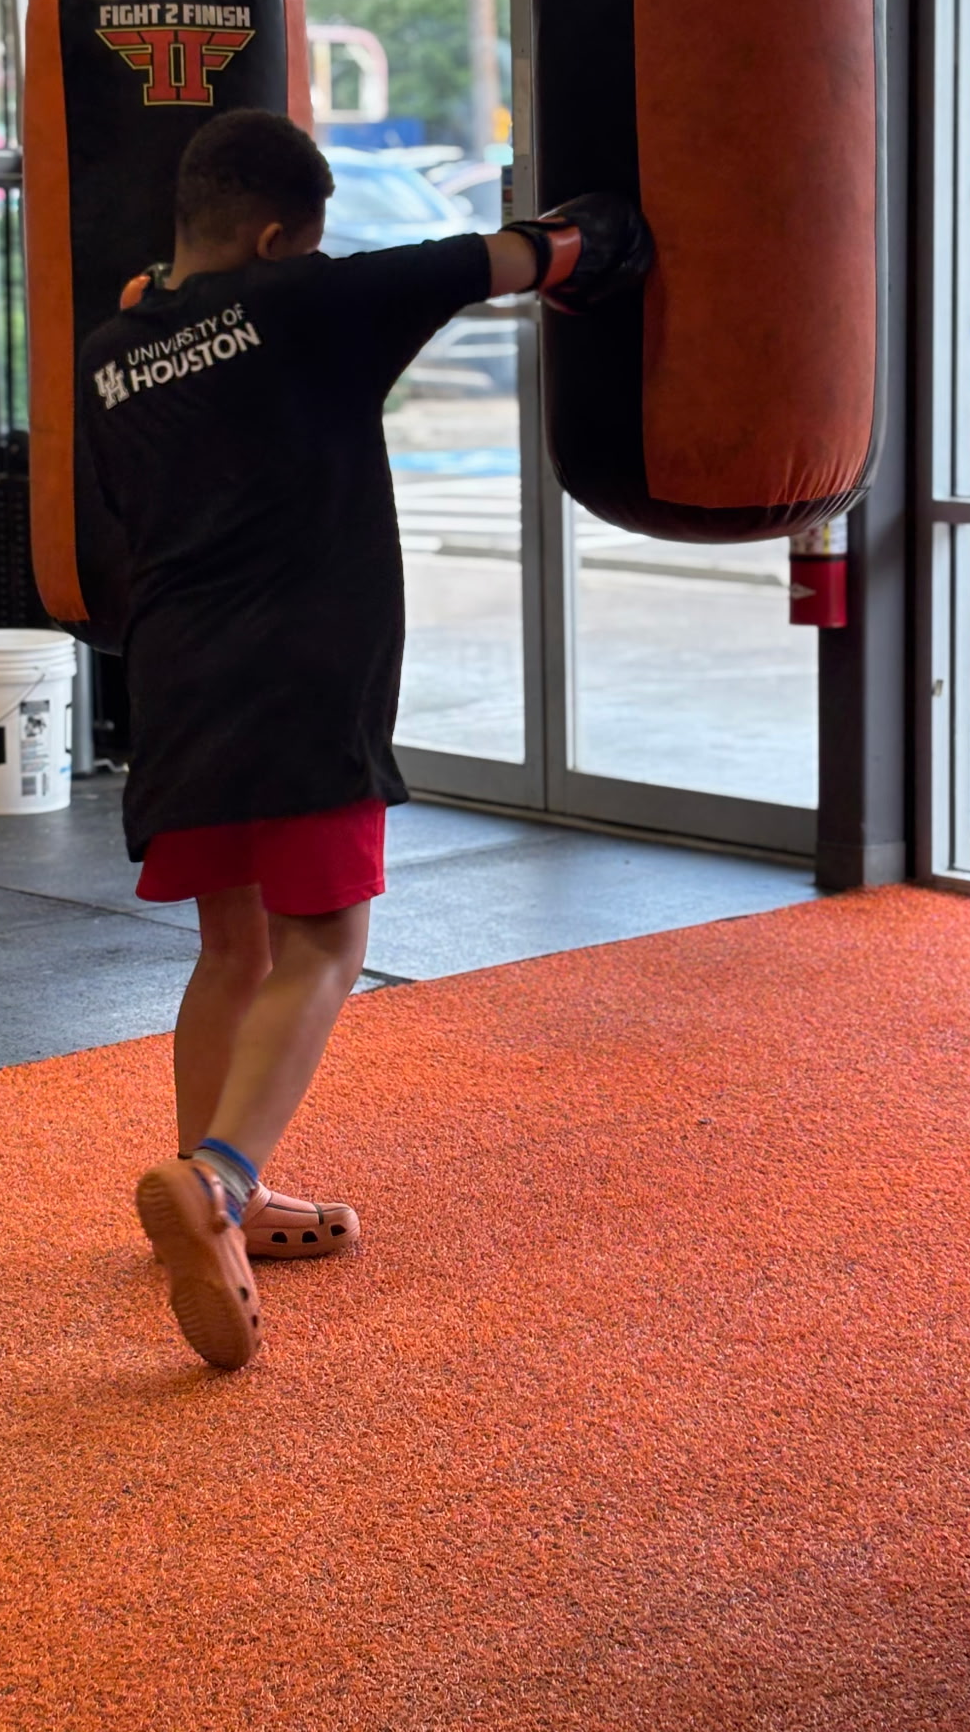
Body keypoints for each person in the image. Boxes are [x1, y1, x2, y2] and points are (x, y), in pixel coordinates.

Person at [79, 107, 650, 1374]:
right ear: (281, 238)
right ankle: (221, 1182)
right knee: (328, 941)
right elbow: (518, 254)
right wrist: (605, 240)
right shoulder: (312, 302)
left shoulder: (110, 348)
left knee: (231, 944)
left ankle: (210, 1186)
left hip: (173, 678)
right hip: (302, 676)